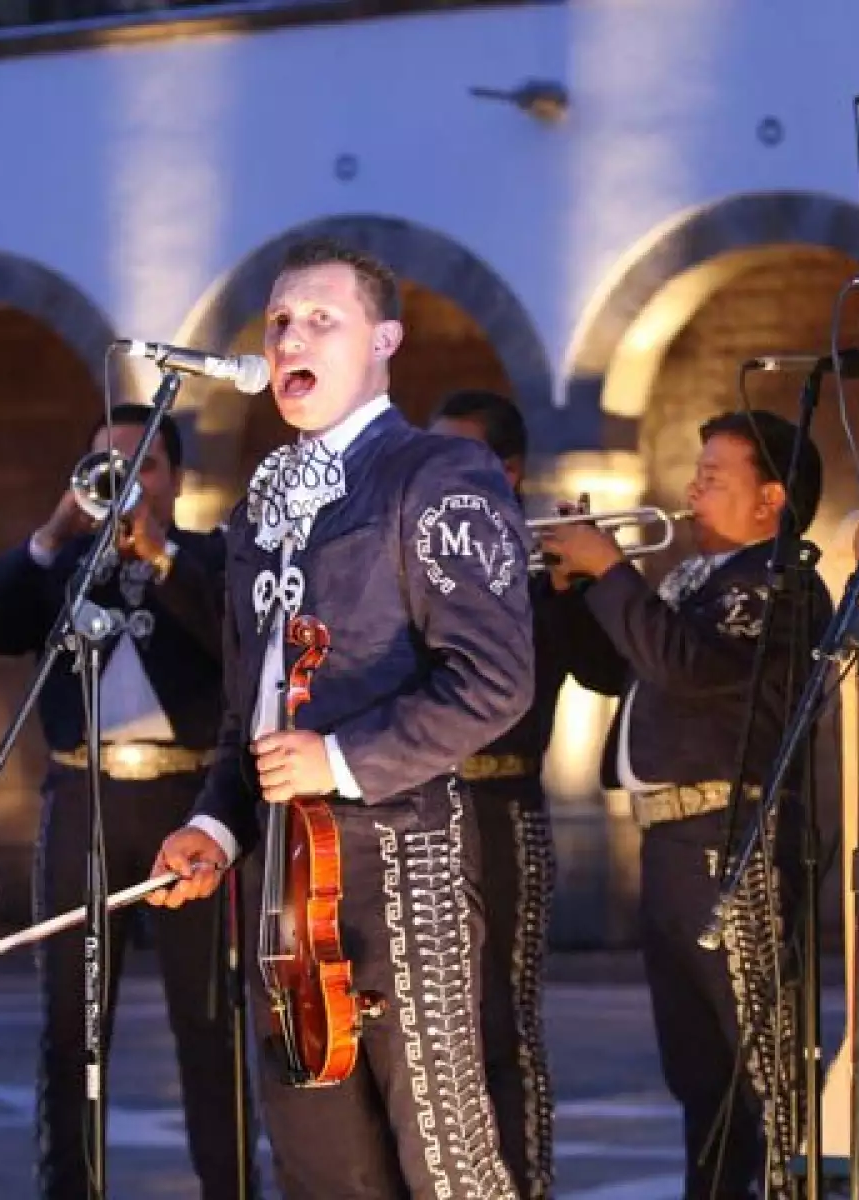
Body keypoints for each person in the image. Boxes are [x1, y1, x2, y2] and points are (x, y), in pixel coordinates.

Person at [148, 235, 534, 1199]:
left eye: (322, 320)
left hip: (402, 857)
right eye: (279, 322)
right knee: (318, 1158)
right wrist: (210, 825)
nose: (289, 341)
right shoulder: (260, 505)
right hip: (281, 870)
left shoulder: (434, 473)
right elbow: (253, 710)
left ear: (384, 341)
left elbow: (494, 679)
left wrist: (341, 760)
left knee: (442, 1155)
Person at [0, 405, 251, 1198]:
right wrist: (55, 529)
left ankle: (229, 1187)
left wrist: (157, 556)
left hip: (186, 805)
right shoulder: (63, 564)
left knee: (208, 1018)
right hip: (81, 797)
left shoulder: (211, 556)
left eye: (143, 467)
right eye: (108, 468)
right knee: (72, 1024)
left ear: (177, 480)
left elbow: (236, 644)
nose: (127, 484)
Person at [541, 410, 830, 1200]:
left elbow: (686, 665)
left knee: (761, 1063)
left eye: (713, 477)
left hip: (734, 840)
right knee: (699, 1073)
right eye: (696, 474)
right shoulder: (691, 580)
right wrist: (574, 591)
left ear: (770, 497)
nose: (692, 489)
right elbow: (616, 670)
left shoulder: (782, 580)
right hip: (672, 843)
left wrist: (612, 571)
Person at [428, 389, 625, 1200]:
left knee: (505, 1025)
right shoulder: (423, 559)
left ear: (507, 473)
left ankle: (527, 1184)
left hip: (506, 809)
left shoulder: (543, 574)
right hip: (424, 811)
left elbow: (610, 674)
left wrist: (578, 584)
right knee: (435, 1035)